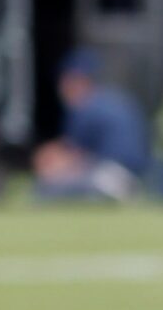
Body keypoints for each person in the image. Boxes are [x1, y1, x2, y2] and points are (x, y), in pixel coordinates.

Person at [32, 50, 148, 201]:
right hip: (139, 176)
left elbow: (72, 157)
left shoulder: (85, 106)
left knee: (46, 188)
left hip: (109, 176)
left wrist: (46, 159)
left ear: (75, 81)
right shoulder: (118, 99)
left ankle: (110, 194)